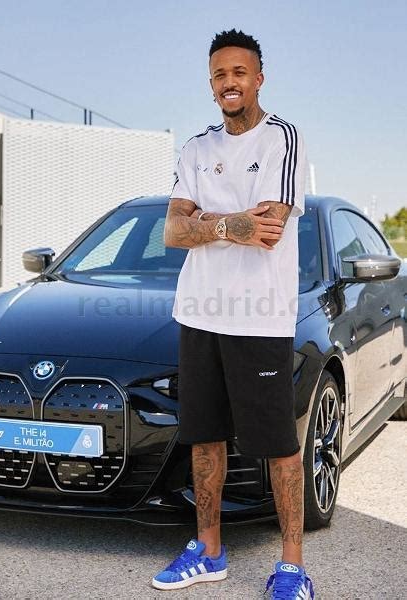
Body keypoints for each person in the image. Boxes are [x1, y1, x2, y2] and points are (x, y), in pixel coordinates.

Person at [153, 29, 314, 599]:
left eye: (239, 73)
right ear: (211, 82)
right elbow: (173, 231)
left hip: (259, 319)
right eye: (220, 75)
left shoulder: (281, 139)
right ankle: (210, 551)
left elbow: (268, 229)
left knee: (278, 446)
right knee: (205, 439)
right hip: (199, 314)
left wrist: (208, 220)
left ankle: (292, 568)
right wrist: (227, 223)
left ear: (259, 78)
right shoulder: (196, 148)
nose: (229, 83)